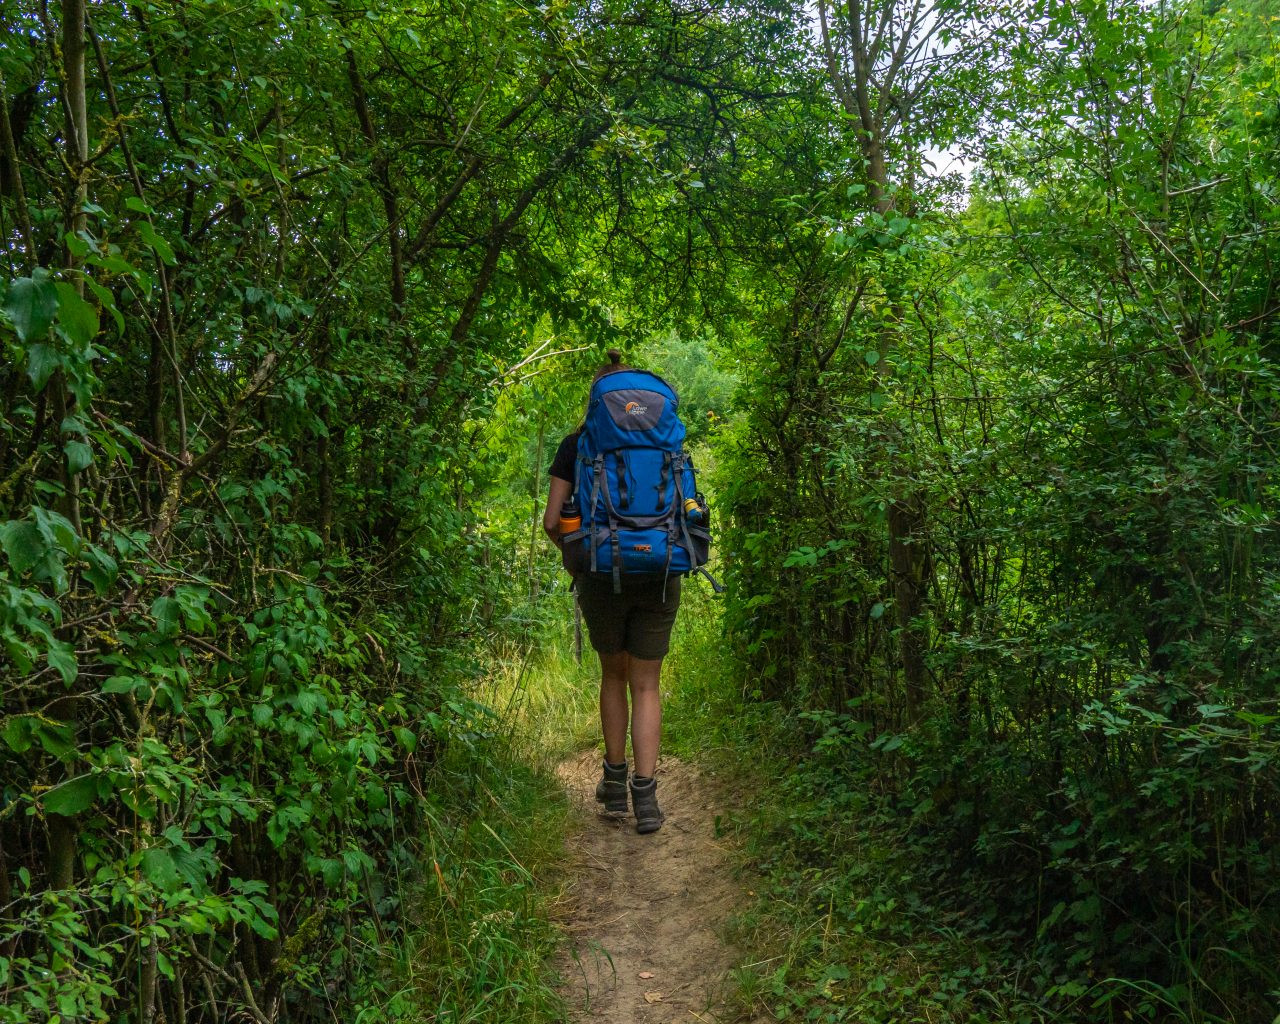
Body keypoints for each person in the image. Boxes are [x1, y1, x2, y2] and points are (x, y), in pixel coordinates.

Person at [542, 351, 681, 835]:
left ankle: (614, 785)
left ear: (598, 401)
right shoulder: (664, 440)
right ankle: (647, 800)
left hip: (602, 575)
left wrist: (582, 554)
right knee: (647, 683)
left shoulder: (576, 444)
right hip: (662, 571)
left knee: (613, 677)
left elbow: (551, 522)